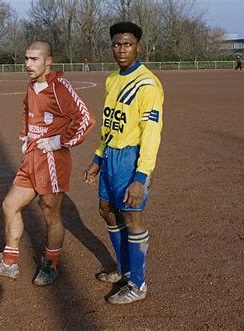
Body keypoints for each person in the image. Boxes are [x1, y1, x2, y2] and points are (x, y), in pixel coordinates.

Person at [0, 41, 95, 286]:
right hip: (32, 156)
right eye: (26, 59)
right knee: (10, 205)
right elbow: (27, 110)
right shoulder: (32, 86)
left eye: (34, 59)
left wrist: (59, 141)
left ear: (48, 61)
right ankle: (10, 263)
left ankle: (51, 264)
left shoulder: (59, 87)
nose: (28, 64)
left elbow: (86, 119)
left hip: (53, 159)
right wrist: (26, 135)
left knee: (50, 213)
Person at [83, 21, 164, 304]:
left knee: (132, 217)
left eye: (127, 44)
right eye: (117, 44)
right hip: (110, 156)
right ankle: (125, 269)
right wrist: (96, 158)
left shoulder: (148, 85)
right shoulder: (111, 80)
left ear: (138, 47)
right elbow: (109, 125)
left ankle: (138, 284)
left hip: (132, 159)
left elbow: (152, 134)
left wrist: (141, 177)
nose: (121, 49)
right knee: (106, 210)